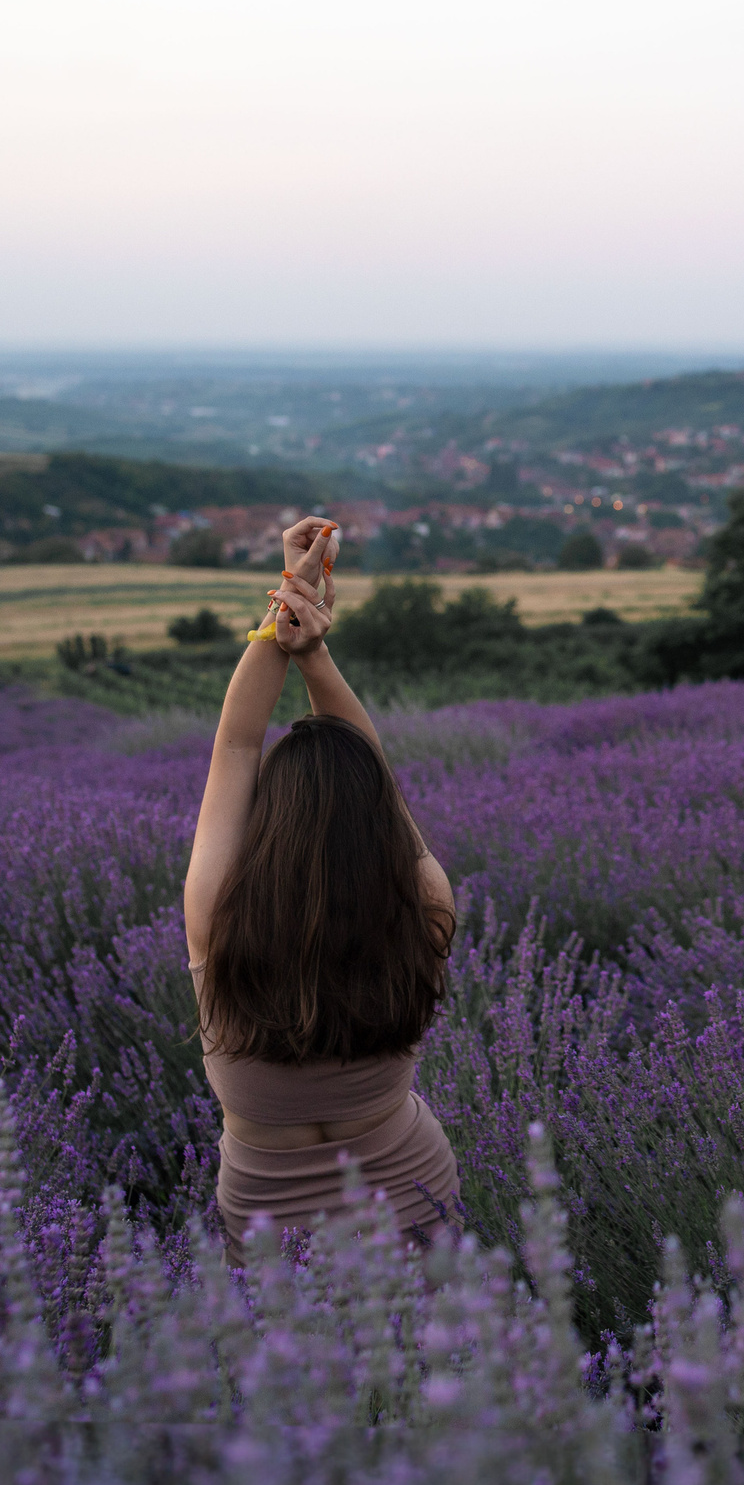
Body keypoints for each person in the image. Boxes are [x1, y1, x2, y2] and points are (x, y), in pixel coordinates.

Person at [183, 516, 459, 1257]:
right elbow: (374, 778)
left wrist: (287, 607)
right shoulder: (423, 904)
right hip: (411, 1191)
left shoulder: (218, 919)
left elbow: (236, 743)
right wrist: (314, 651)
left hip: (266, 1220)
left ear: (270, 821)